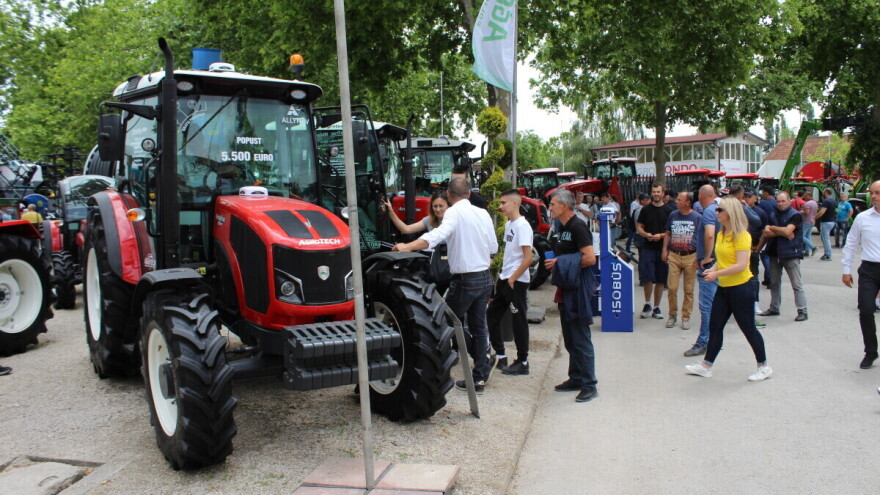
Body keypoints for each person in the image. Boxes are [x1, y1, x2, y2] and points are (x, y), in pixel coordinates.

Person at [393, 177, 498, 393]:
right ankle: (480, 371)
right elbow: (493, 246)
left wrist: (407, 247)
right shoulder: (482, 212)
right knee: (478, 326)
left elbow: (437, 235)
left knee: (445, 323)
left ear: (449, 196)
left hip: (465, 279)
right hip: (485, 276)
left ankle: (478, 363)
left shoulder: (454, 212)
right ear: (469, 194)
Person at [685, 196, 772, 381]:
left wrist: (716, 274)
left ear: (730, 213)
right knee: (715, 326)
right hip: (725, 288)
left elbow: (741, 265)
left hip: (742, 288)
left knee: (748, 328)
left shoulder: (742, 235)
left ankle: (764, 366)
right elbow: (722, 260)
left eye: (720, 210)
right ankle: (706, 366)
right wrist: (712, 269)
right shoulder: (721, 234)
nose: (716, 212)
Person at [545, 189, 599, 402]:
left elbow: (590, 258)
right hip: (566, 287)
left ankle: (589, 384)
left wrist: (561, 263)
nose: (550, 207)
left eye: (552, 204)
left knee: (580, 338)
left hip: (577, 288)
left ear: (565, 206)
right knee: (570, 337)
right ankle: (575, 377)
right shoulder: (562, 226)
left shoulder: (578, 226)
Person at [487, 190, 533, 375]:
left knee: (518, 320)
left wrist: (513, 278)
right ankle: (500, 355)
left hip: (517, 280)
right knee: (492, 315)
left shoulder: (523, 226)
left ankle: (523, 361)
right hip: (505, 278)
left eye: (503, 202)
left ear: (515, 203)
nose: (500, 206)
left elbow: (528, 258)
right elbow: (510, 253)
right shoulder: (509, 225)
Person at [841, 180, 880, 370]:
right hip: (869, 270)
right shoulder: (863, 218)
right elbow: (851, 243)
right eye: (872, 193)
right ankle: (871, 351)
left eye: (878, 193)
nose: (873, 196)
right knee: (865, 310)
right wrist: (846, 270)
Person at [758, 192, 808, 321]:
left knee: (796, 284)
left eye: (783, 201)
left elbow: (786, 231)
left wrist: (774, 229)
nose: (780, 204)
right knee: (774, 283)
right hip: (774, 254)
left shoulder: (795, 215)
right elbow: (767, 232)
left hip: (791, 253)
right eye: (778, 201)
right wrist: (782, 231)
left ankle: (802, 310)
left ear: (789, 201)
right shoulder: (773, 213)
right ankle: (774, 307)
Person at [683, 184, 719, 357]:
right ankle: (714, 340)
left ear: (701, 197)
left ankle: (704, 342)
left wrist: (705, 256)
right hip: (720, 263)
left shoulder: (709, 212)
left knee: (706, 306)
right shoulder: (719, 210)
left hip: (710, 265)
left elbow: (710, 233)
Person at [661, 191, 701, 330]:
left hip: (691, 256)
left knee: (689, 290)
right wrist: (664, 250)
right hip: (674, 255)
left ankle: (686, 316)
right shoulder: (673, 215)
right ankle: (672, 314)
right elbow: (667, 234)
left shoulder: (697, 217)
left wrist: (699, 257)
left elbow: (701, 238)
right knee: (672, 288)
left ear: (687, 203)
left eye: (679, 199)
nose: (676, 201)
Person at [636, 183, 670, 320]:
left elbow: (669, 231)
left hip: (663, 249)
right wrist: (646, 234)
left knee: (661, 279)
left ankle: (656, 307)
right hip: (647, 248)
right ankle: (647, 303)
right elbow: (639, 227)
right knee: (647, 278)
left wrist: (661, 236)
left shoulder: (668, 211)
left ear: (663, 193)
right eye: (654, 191)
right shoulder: (645, 210)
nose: (656, 194)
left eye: (658, 191)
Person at [743, 188, 769, 319]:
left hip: (753, 247)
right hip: (740, 249)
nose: (747, 198)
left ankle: (755, 302)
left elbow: (765, 231)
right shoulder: (740, 210)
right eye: (745, 196)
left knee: (753, 277)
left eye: (749, 196)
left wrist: (758, 248)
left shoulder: (760, 213)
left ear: (755, 198)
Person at [382, 191, 448, 235]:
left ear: (448, 205)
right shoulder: (429, 220)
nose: (438, 209)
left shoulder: (454, 220)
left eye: (441, 206)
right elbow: (406, 229)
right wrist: (390, 211)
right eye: (435, 206)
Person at [815, 187, 837, 260]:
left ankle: (828, 254)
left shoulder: (826, 201)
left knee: (825, 238)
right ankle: (827, 252)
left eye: (824, 192)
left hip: (826, 221)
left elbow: (822, 211)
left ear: (826, 193)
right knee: (823, 237)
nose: (823, 194)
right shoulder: (833, 201)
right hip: (832, 221)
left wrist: (815, 217)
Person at [800, 191, 819, 257]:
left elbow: (807, 213)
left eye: (805, 196)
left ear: (809, 196)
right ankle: (807, 251)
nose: (804, 197)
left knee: (801, 236)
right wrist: (814, 219)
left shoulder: (807, 203)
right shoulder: (815, 203)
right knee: (808, 236)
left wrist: (801, 212)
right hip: (812, 221)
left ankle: (813, 247)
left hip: (806, 221)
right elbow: (816, 212)